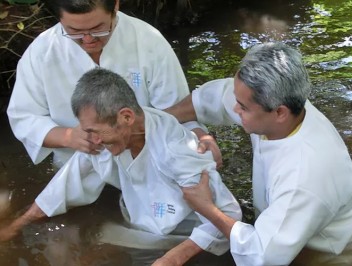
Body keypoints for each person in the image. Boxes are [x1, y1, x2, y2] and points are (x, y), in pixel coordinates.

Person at [166, 42, 352, 265]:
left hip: (344, 253)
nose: (235, 109)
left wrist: (207, 207)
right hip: (300, 231)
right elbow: (216, 99)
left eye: (242, 107)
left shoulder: (304, 175)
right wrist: (159, 118)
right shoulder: (281, 106)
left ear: (280, 113)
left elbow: (261, 256)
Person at [0, 68, 242, 265]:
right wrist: (16, 225)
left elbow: (229, 215)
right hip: (137, 225)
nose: (91, 140)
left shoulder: (179, 152)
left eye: (96, 132)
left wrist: (173, 258)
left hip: (185, 237)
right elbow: (66, 184)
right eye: (88, 131)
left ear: (126, 117)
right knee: (79, 247)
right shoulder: (105, 137)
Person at [6, 0, 220, 170]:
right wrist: (69, 137)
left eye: (98, 29)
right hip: (76, 166)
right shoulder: (42, 53)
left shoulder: (148, 41)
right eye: (74, 32)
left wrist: (199, 136)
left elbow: (177, 110)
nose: (88, 40)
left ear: (115, 6)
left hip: (148, 163)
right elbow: (24, 118)